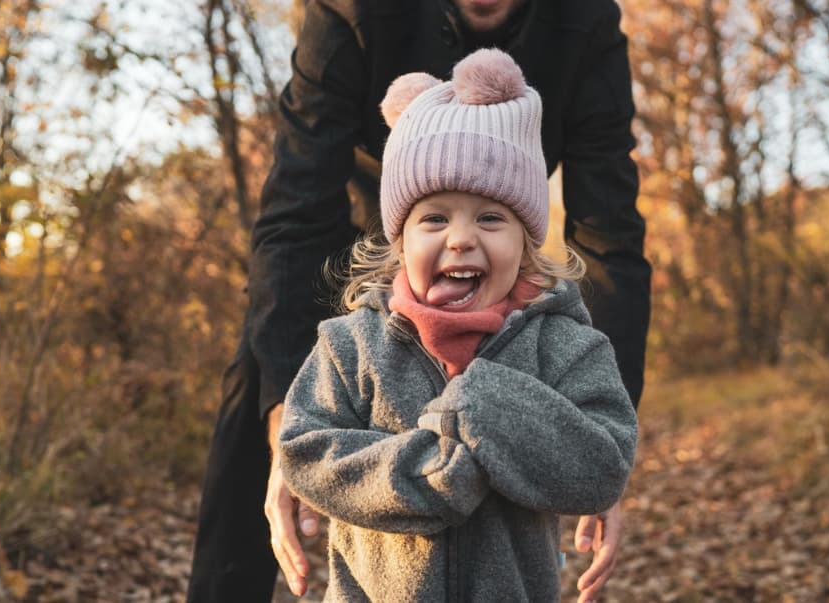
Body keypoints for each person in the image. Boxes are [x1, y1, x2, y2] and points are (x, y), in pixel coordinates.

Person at [186, 1, 651, 601]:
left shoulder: (583, 21)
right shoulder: (353, 9)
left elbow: (610, 237)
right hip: (365, 238)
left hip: (507, 238)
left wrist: (608, 459)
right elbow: (293, 216)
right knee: (260, 393)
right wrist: (285, 426)